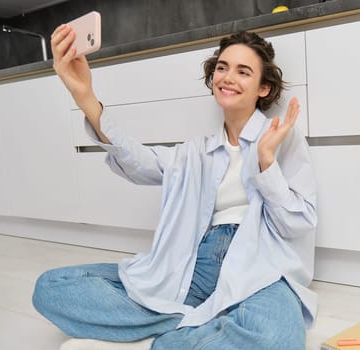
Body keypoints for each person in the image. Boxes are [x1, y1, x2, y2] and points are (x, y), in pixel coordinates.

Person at [32, 24, 318, 350]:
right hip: (194, 269)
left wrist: (266, 162)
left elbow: (299, 223)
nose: (227, 77)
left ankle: (178, 330)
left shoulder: (282, 137)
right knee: (51, 287)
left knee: (276, 339)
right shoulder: (195, 151)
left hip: (261, 270)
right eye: (222, 68)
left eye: (243, 71)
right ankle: (189, 318)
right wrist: (85, 98)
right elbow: (139, 162)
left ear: (263, 88)